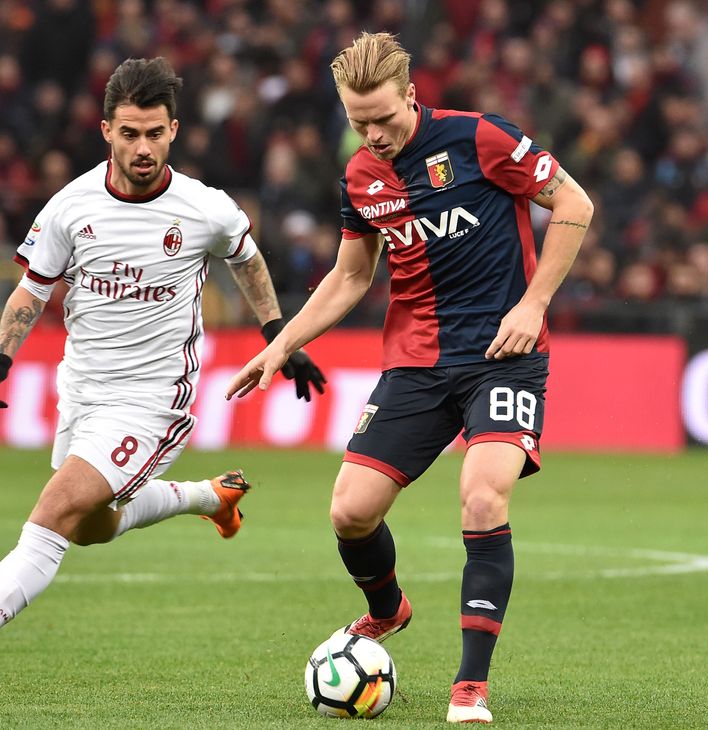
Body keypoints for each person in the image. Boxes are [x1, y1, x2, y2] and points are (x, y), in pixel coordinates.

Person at [0, 57, 326, 690]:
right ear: (106, 129)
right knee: (90, 528)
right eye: (129, 133)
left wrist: (279, 335)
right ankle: (210, 497)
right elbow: (30, 292)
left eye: (154, 133)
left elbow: (247, 260)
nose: (142, 147)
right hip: (82, 388)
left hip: (156, 400)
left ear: (174, 131)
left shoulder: (204, 209)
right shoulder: (69, 207)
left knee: (53, 512)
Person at [227, 33, 593, 724]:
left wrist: (534, 301)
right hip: (418, 363)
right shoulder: (359, 177)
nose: (373, 134)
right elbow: (350, 277)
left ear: (412, 96)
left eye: (384, 119)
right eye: (358, 122)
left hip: (503, 355)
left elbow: (574, 204)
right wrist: (282, 344)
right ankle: (387, 610)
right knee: (349, 511)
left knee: (483, 499)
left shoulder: (481, 139)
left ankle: (470, 687)